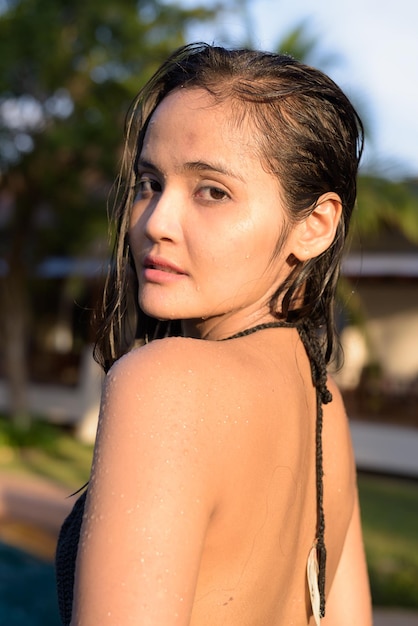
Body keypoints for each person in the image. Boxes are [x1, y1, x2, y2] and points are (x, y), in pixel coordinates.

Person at [55, 42, 372, 625]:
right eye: (150, 183)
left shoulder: (165, 383)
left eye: (212, 191)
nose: (156, 222)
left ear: (315, 225)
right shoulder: (323, 404)